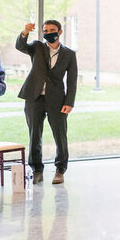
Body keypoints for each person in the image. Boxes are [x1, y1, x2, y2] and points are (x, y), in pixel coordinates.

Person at [15, 20, 78, 184]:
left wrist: (69, 102)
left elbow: (72, 80)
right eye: (45, 30)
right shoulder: (37, 47)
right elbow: (20, 46)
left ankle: (60, 170)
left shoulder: (69, 54)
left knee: (60, 135)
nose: (49, 32)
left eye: (52, 30)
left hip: (57, 99)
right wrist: (24, 32)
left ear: (60, 31)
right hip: (34, 97)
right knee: (34, 134)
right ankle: (37, 170)